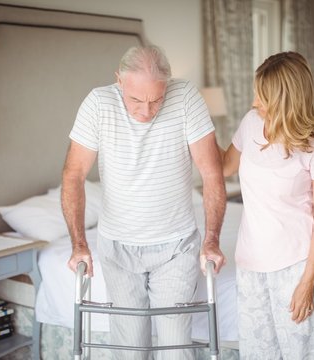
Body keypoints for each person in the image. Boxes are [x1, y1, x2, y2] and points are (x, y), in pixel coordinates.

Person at [62, 45, 226, 360]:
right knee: (129, 351)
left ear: (168, 85)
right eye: (136, 100)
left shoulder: (186, 97)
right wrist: (78, 243)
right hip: (117, 247)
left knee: (175, 349)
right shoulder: (98, 104)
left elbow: (211, 173)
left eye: (157, 100)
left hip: (176, 245)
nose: (147, 112)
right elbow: (74, 175)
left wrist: (212, 240)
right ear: (118, 81)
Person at [221, 51, 314, 359]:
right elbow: (223, 166)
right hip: (250, 263)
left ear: (285, 98)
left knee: (302, 353)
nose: (254, 102)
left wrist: (307, 282)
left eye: (262, 96)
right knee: (258, 354)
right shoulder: (250, 123)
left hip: (294, 265)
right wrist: (193, 129)